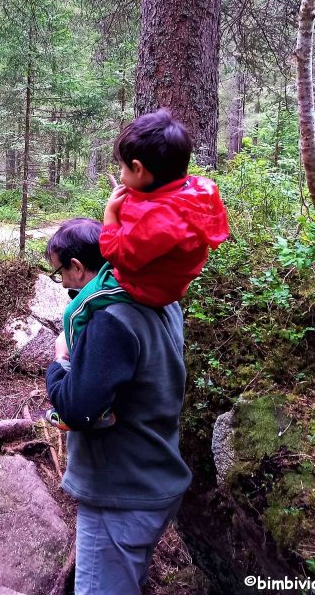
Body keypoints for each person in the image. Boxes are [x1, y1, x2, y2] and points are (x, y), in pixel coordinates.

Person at [45, 218, 192, 594]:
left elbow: (77, 410)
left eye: (58, 272)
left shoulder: (110, 319)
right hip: (155, 476)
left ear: (77, 267)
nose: (61, 283)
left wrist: (60, 362)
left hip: (119, 495)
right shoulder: (162, 297)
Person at [63, 109, 229, 355]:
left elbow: (116, 254)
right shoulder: (194, 191)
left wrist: (110, 215)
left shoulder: (157, 221)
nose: (120, 174)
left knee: (74, 311)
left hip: (142, 286)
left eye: (122, 167)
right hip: (164, 277)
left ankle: (75, 360)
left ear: (138, 169)